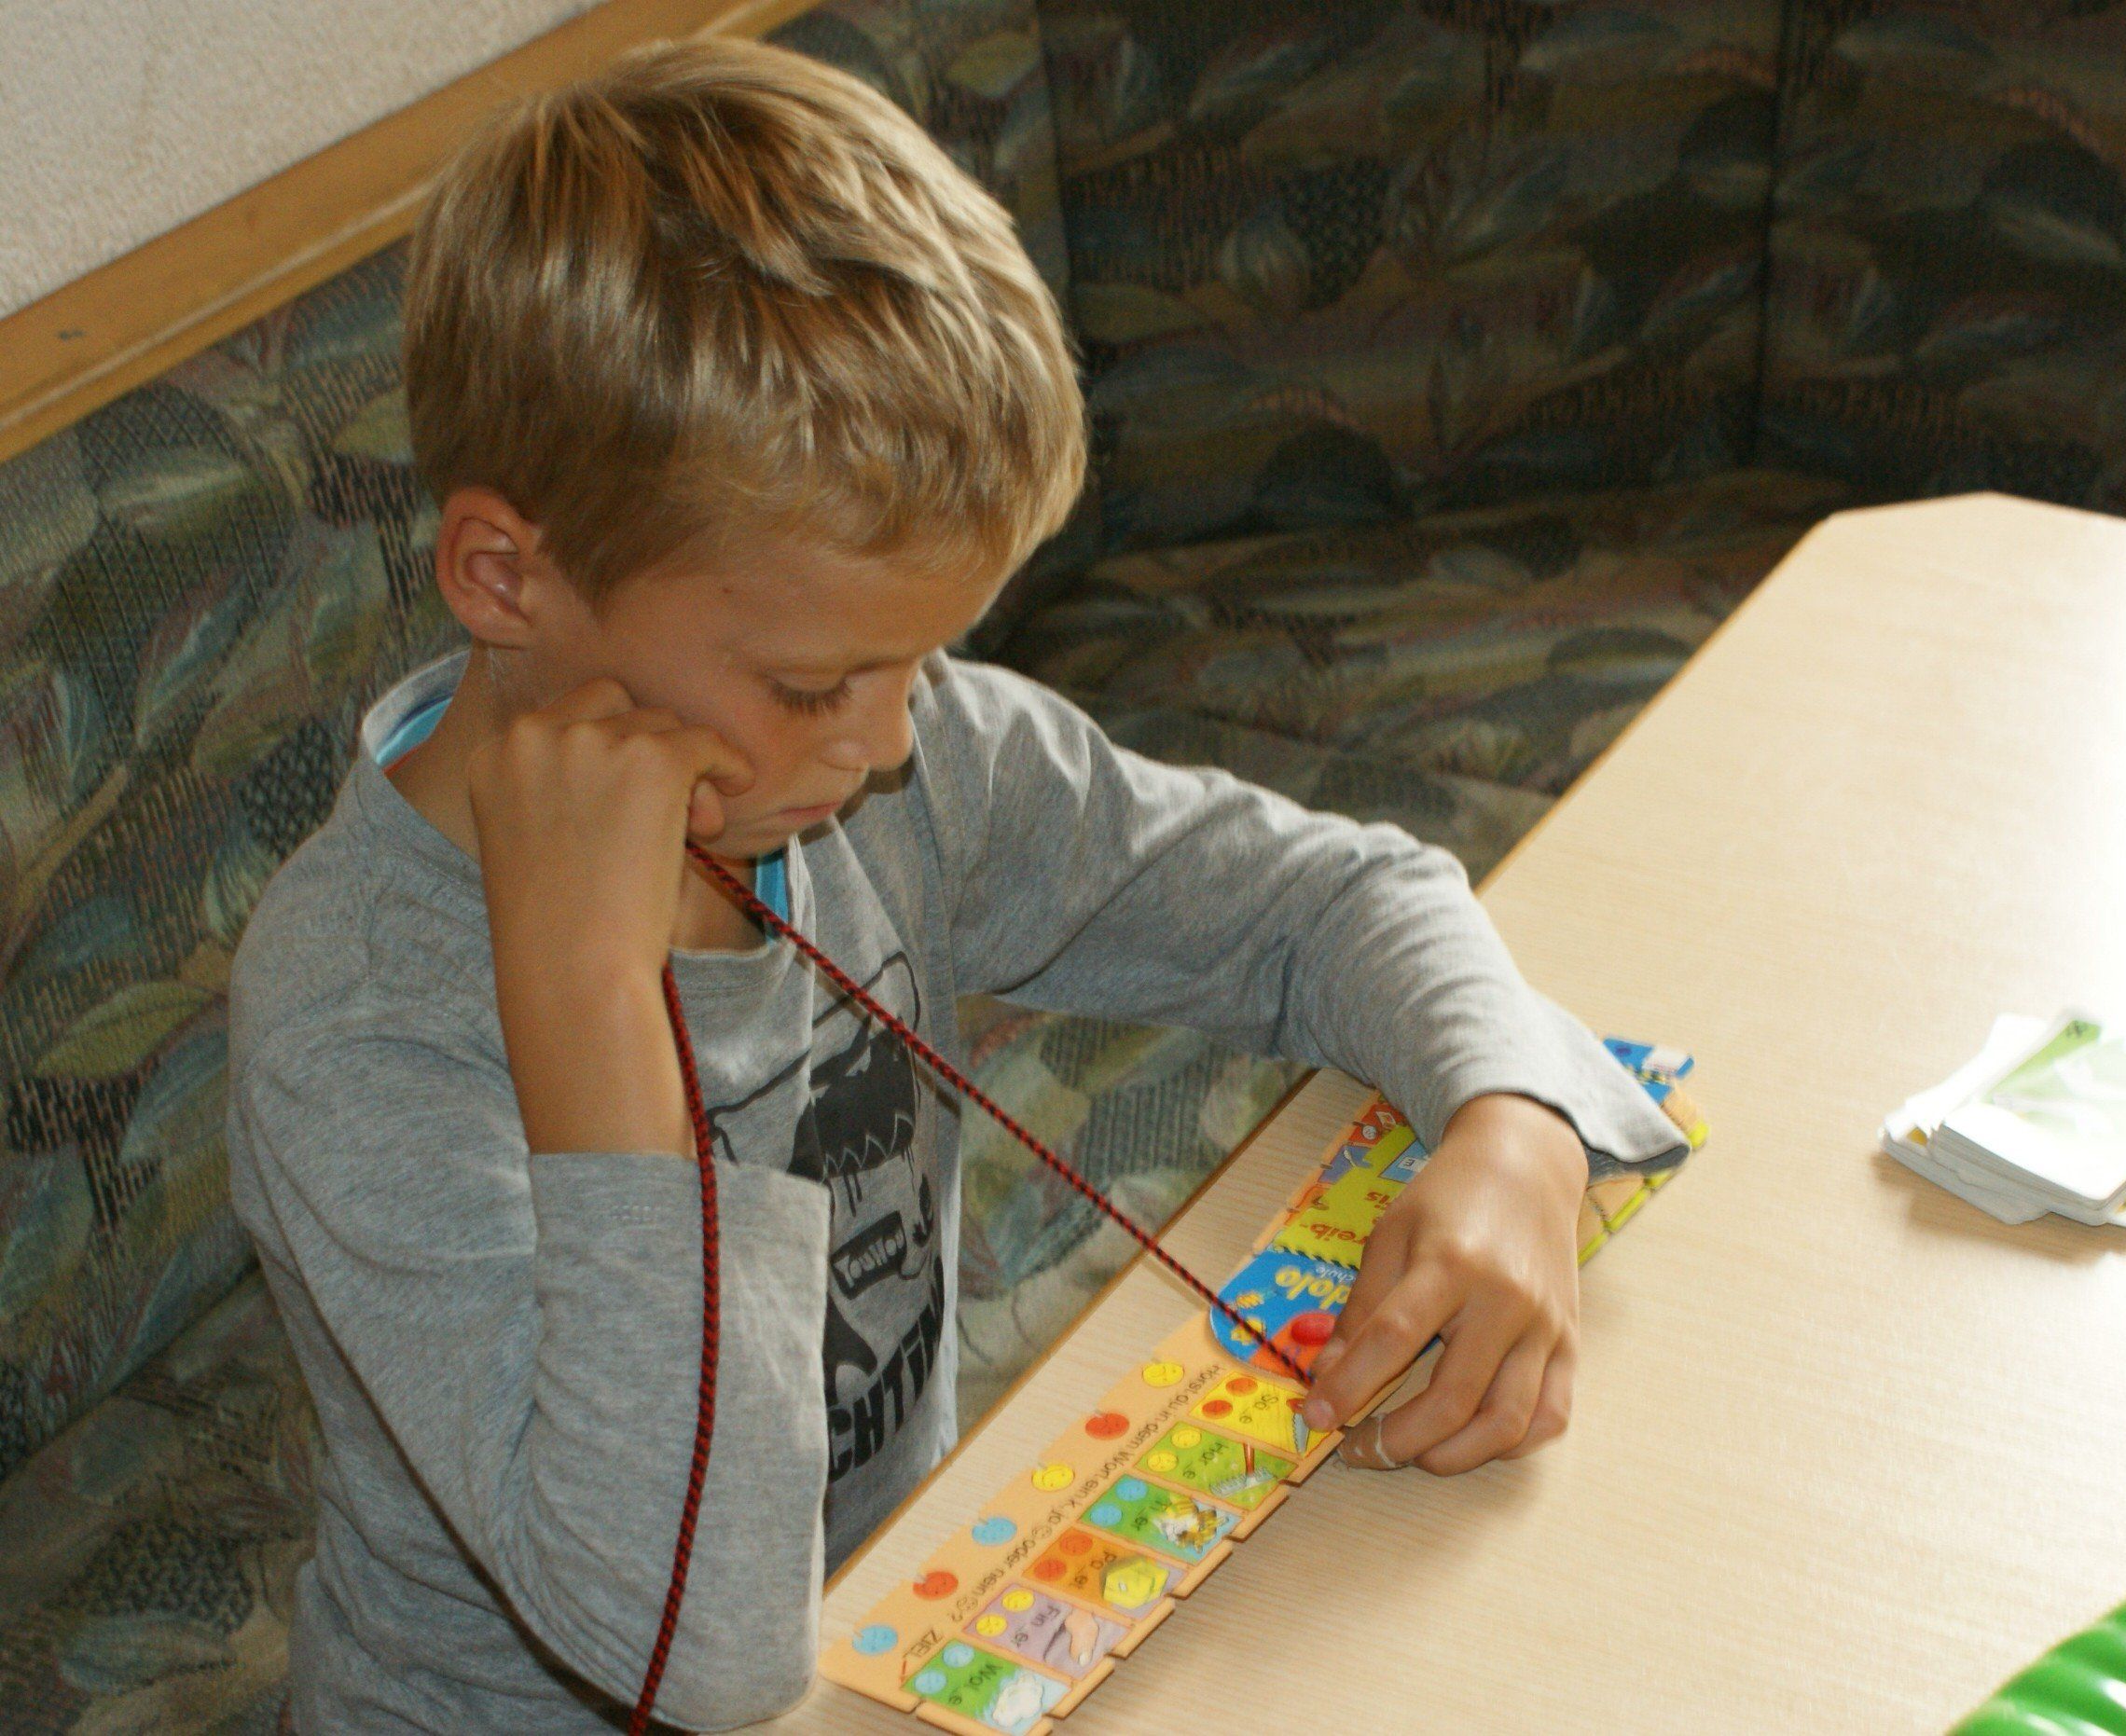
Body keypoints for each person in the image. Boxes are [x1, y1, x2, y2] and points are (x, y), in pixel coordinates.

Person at [225, 34, 1687, 1732]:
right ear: (503, 575)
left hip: (891, 1644)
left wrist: (1513, 1123)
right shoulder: (358, 1011)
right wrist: (595, 1006)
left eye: (923, 658)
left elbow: (1335, 899)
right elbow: (689, 1648)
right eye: (814, 683)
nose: (891, 740)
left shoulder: (880, 769)